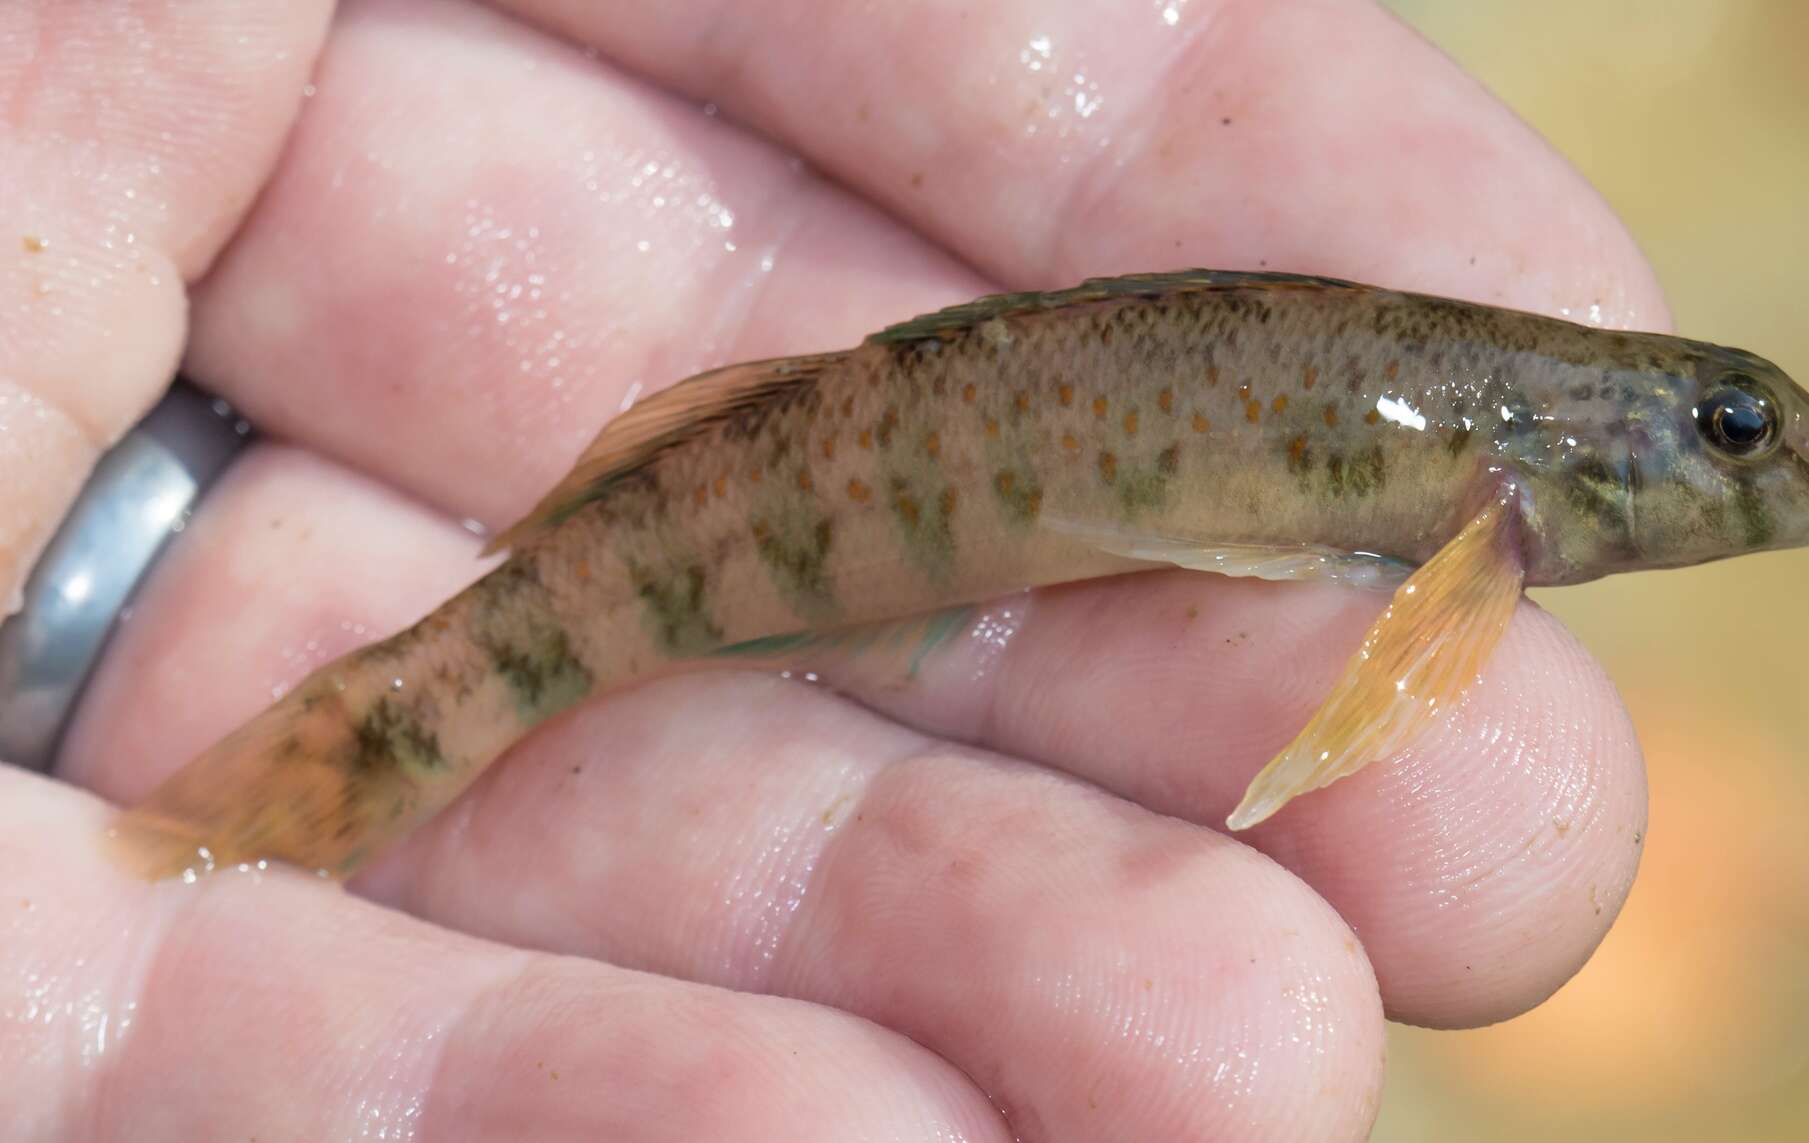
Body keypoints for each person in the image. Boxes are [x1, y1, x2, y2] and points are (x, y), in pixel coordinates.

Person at [0, 1, 1666, 1137]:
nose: (1757, 461)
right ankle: (358, 749)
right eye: (1725, 430)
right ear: (1595, 432)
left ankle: (299, 775)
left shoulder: (1474, 446)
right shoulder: (1486, 462)